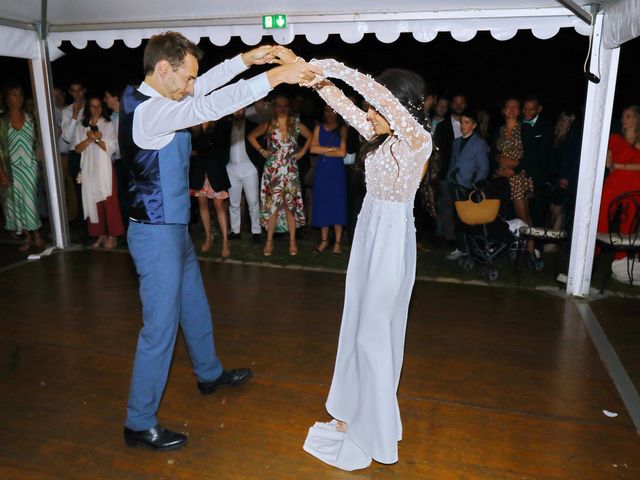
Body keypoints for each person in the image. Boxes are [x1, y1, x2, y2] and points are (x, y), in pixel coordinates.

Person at [119, 32, 320, 451]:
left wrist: (249, 58)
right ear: (162, 70)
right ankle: (138, 423)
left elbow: (205, 87)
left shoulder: (161, 97)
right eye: (186, 77)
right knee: (159, 330)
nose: (192, 85)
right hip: (155, 236)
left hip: (174, 229)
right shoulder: (149, 114)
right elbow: (209, 104)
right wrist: (278, 75)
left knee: (193, 304)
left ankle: (209, 374)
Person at [294, 56, 432, 470]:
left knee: (375, 334)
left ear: (398, 105)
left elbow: (370, 96)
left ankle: (377, 432)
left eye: (379, 105)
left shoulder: (417, 140)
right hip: (369, 235)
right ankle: (357, 413)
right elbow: (348, 107)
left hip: (391, 243)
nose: (370, 114)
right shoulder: (383, 136)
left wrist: (329, 64)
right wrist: (314, 79)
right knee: (357, 327)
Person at [247, 94, 312, 256]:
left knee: (290, 206)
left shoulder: (295, 124)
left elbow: (310, 136)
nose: (282, 109)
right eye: (278, 105)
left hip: (290, 168)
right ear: (274, 107)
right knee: (273, 206)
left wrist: (302, 152)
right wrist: (262, 151)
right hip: (273, 169)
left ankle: (292, 241)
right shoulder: (268, 124)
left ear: (288, 107)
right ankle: (268, 242)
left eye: (284, 106)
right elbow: (251, 136)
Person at [74, 94, 124, 248]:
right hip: (89, 168)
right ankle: (100, 234)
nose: (96, 109)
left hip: (105, 169)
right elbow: (77, 148)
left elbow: (111, 148)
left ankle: (113, 236)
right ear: (88, 108)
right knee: (93, 201)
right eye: (93, 106)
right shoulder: (82, 126)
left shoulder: (108, 124)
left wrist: (96, 139)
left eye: (99, 106)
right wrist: (89, 138)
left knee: (109, 202)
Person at [0, 83, 45, 251]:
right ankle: (27, 236)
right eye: (13, 94)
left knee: (29, 200)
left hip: (29, 166)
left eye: (20, 94)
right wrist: (1, 173)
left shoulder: (30, 117)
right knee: (17, 202)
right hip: (11, 169)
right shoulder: (2, 121)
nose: (17, 98)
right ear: (6, 98)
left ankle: (37, 234)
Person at [597, 105, 640, 258]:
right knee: (601, 217)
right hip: (614, 183)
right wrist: (608, 162)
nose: (623, 120)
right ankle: (593, 253)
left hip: (634, 185)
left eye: (628, 116)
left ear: (636, 119)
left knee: (628, 224)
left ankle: (620, 260)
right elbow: (609, 164)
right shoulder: (615, 138)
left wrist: (618, 165)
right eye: (623, 116)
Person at [446, 109, 490, 258]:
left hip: (468, 188)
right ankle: (460, 247)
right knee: (456, 217)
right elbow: (453, 162)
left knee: (468, 219)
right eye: (461, 122)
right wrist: (449, 179)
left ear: (474, 125)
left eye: (466, 123)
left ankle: (472, 248)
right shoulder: (456, 141)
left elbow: (483, 167)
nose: (462, 126)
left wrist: (474, 185)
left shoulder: (479, 143)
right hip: (454, 184)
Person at [189, 120, 232, 256]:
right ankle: (209, 237)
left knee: (219, 205)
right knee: (202, 204)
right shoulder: (193, 127)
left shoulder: (220, 124)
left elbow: (221, 147)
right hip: (199, 170)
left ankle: (225, 241)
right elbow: (193, 149)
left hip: (215, 169)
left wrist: (201, 150)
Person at [310, 103, 347, 254]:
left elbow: (342, 153)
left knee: (337, 203)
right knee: (322, 203)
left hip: (336, 171)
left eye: (333, 110)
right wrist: (332, 149)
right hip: (322, 171)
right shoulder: (318, 128)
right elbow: (312, 149)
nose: (330, 113)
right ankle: (324, 240)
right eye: (327, 110)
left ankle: (337, 242)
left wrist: (323, 150)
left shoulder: (342, 129)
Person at [226, 107, 262, 242]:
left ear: (245, 110)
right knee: (233, 202)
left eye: (240, 110)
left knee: (253, 201)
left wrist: (257, 163)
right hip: (231, 168)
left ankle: (256, 231)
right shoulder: (227, 126)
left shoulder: (252, 125)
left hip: (249, 168)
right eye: (235, 110)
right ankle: (235, 231)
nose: (238, 112)